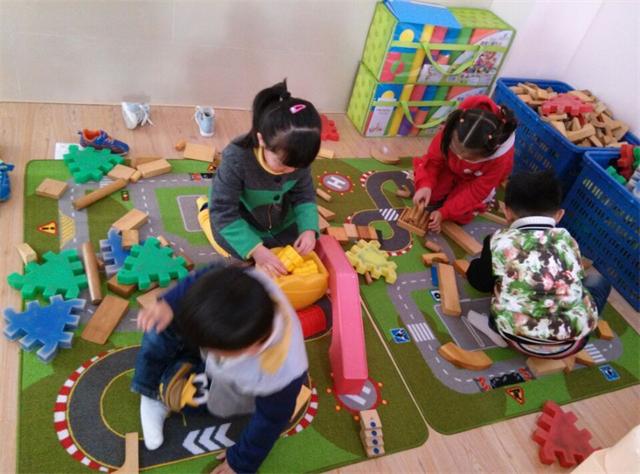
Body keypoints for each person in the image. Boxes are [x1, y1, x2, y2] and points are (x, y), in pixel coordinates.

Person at [132, 263, 308, 473]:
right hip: (219, 343)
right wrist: (169, 303)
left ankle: (172, 380)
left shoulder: (281, 375)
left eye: (214, 350)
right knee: (160, 324)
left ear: (250, 348)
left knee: (186, 398)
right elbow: (207, 277)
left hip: (230, 386)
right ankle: (149, 392)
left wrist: (239, 462)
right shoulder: (245, 282)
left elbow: (270, 421)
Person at [466, 171, 611, 358]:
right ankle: (574, 320)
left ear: (507, 212)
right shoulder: (568, 240)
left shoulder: (499, 240)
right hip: (573, 342)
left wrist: (477, 266)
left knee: (497, 280)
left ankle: (492, 327)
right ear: (559, 215)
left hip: (516, 337)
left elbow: (480, 283)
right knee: (598, 281)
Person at [207, 79, 321, 276]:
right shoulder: (236, 159)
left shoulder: (297, 158)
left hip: (279, 217)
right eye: (283, 164)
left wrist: (309, 229)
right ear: (261, 140)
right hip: (241, 219)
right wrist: (256, 250)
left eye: (298, 166)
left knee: (299, 238)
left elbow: (304, 194)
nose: (291, 171)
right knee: (235, 245)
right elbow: (222, 210)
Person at [412, 95, 517, 232]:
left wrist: (444, 212)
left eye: (468, 158)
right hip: (448, 169)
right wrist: (425, 185)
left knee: (461, 215)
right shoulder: (451, 131)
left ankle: (475, 200)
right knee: (429, 195)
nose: (460, 157)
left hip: (473, 180)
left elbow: (476, 191)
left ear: (487, 154)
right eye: (455, 150)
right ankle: (441, 188)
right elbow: (433, 161)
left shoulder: (499, 158)